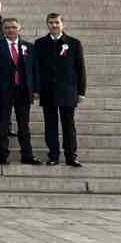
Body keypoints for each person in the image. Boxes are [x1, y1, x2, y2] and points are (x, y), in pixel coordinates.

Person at [33, 13, 85, 167]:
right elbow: (36, 69)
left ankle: (71, 156)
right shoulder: (40, 43)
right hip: (48, 90)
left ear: (63, 24)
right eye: (50, 22)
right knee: (50, 125)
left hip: (67, 90)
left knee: (68, 125)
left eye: (56, 22)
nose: (54, 25)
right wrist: (36, 89)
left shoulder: (74, 43)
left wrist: (81, 91)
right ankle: (53, 155)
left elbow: (80, 68)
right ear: (47, 24)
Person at [0, 18, 40, 165]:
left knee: (24, 125)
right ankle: (3, 156)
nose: (10, 30)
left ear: (19, 28)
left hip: (23, 91)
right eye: (7, 27)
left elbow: (34, 69)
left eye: (13, 27)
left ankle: (27, 155)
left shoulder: (28, 47)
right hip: (3, 91)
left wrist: (35, 89)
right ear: (3, 29)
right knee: (2, 125)